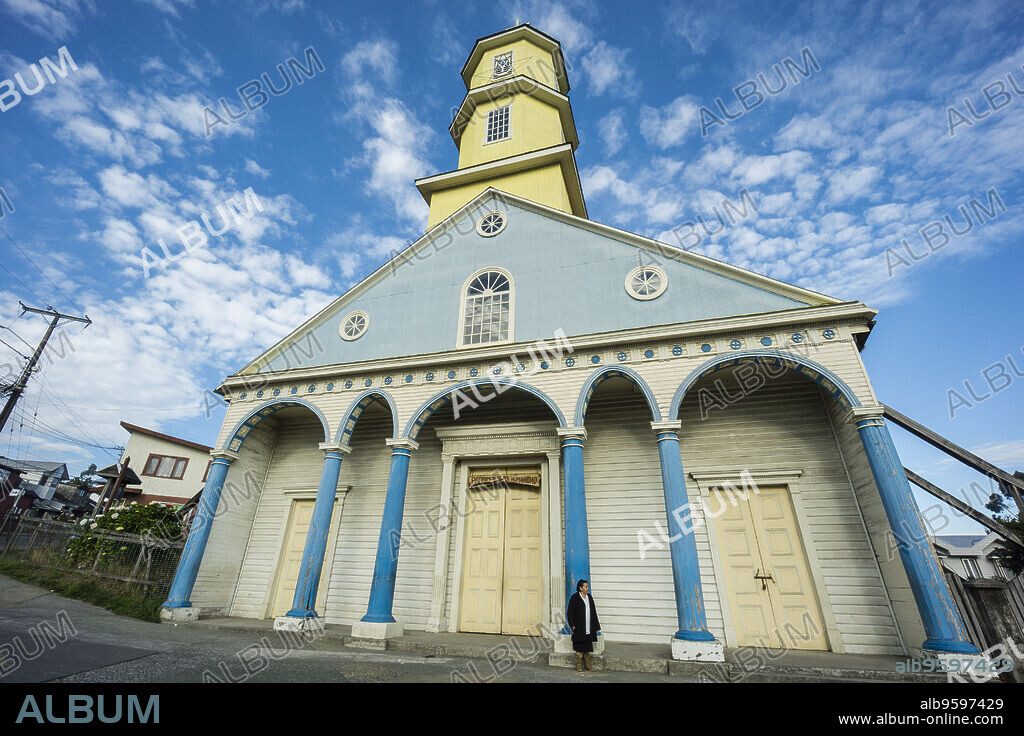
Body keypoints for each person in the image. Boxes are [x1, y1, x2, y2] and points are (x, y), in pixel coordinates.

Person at [566, 579, 600, 671]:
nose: (587, 588)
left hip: (588, 626)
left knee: (587, 648)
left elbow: (593, 612)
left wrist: (595, 625)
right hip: (579, 627)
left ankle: (588, 665)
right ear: (580, 588)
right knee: (579, 647)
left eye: (587, 586)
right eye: (585, 586)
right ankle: (579, 664)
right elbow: (570, 613)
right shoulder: (575, 598)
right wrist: (572, 625)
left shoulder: (589, 597)